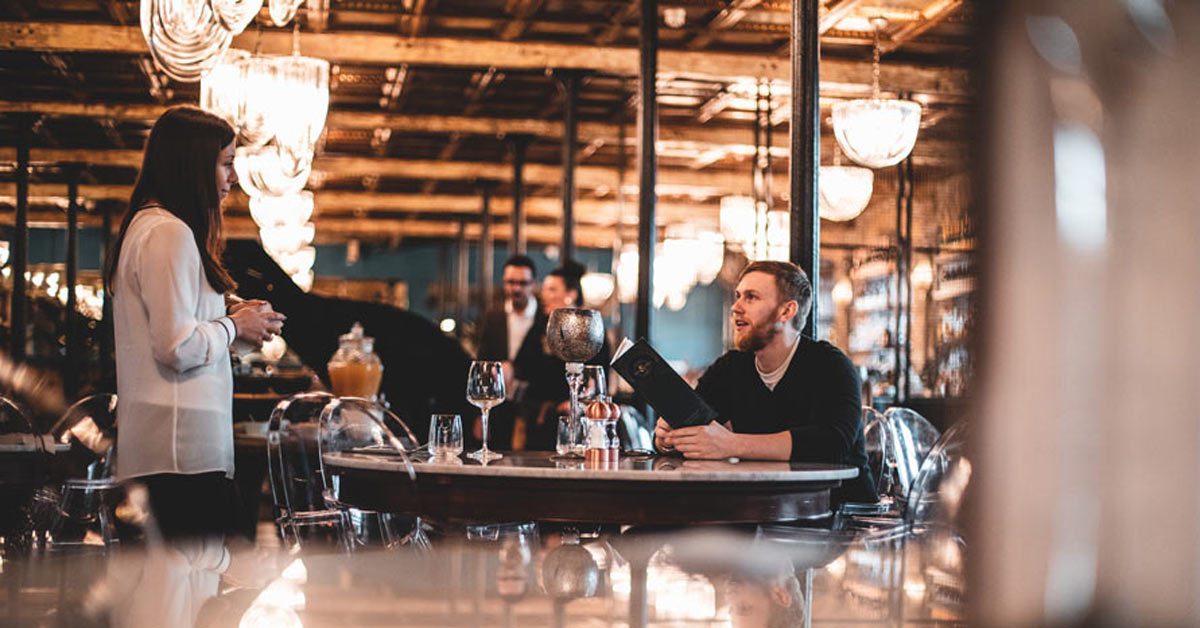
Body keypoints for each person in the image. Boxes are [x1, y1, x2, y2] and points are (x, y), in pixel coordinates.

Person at [106, 106, 286, 540]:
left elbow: (177, 334)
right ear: (192, 165)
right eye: (226, 163)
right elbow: (176, 347)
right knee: (200, 597)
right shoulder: (170, 233)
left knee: (189, 597)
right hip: (180, 456)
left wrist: (240, 321)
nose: (234, 178)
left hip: (169, 452)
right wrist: (232, 327)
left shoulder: (148, 228)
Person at [654, 260, 875, 504]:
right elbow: (697, 426)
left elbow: (832, 445)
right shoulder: (732, 367)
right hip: (763, 511)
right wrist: (669, 439)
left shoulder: (830, 366)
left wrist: (732, 445)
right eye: (738, 296)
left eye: (751, 297)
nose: (736, 307)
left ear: (786, 311)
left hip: (839, 517)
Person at [515, 261, 611, 450]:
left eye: (552, 289)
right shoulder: (542, 325)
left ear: (571, 294)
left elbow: (599, 374)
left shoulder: (589, 327)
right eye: (545, 289)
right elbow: (522, 366)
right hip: (540, 418)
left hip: (576, 415)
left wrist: (578, 401)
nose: (544, 295)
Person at [474, 255, 540, 449]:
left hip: (532, 405)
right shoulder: (493, 316)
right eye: (511, 282)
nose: (516, 288)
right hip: (499, 403)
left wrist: (516, 369)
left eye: (523, 283)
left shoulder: (544, 319)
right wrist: (479, 414)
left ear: (533, 284)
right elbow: (482, 361)